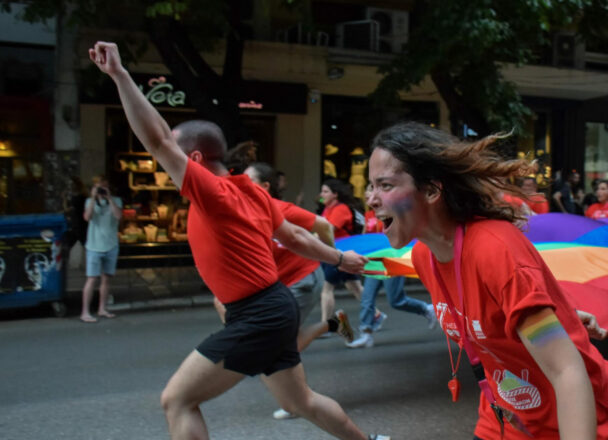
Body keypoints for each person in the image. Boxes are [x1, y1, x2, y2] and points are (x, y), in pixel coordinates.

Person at [88, 41, 389, 440]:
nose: (167, 167)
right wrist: (339, 257)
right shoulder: (251, 191)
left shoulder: (211, 192)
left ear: (193, 161)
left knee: (176, 400)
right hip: (274, 306)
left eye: (176, 159)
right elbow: (296, 235)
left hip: (258, 314)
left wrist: (120, 75)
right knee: (301, 402)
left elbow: (158, 140)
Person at [365, 121, 608, 439]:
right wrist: (559, 317)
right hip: (504, 420)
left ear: (431, 190)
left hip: (575, 422)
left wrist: (554, 324)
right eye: (370, 186)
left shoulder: (495, 251)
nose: (370, 199)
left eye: (385, 186)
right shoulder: (426, 257)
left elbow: (567, 370)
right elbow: (497, 312)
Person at [215, 161, 355, 421]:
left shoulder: (279, 208)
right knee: (276, 345)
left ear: (265, 186)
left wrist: (333, 257)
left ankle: (296, 402)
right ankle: (333, 324)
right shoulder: (242, 213)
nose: (241, 185)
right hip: (279, 285)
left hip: (302, 279)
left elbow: (323, 225)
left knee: (278, 346)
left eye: (249, 180)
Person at [347, 187, 437, 349]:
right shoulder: (368, 215)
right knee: (367, 297)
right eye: (368, 192)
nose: (369, 196)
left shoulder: (392, 212)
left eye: (373, 192)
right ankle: (366, 333)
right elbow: (365, 237)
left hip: (392, 259)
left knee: (396, 300)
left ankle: (425, 309)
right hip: (374, 261)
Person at [318, 178, 383, 327]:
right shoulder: (327, 209)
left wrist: (311, 237)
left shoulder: (341, 209)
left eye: (325, 191)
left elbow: (330, 229)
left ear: (335, 194)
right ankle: (376, 314)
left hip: (340, 253)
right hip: (335, 252)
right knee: (354, 286)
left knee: (327, 288)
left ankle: (325, 325)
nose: (322, 194)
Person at [80, 175, 122, 323]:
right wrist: (93, 198)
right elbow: (87, 217)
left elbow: (118, 215)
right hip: (94, 246)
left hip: (111, 245)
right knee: (91, 279)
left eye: (105, 187)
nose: (103, 190)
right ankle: (85, 312)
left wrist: (109, 199)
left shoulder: (116, 201)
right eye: (100, 188)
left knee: (106, 279)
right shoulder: (88, 202)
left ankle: (102, 308)